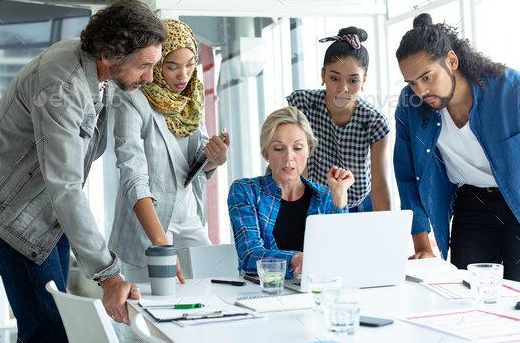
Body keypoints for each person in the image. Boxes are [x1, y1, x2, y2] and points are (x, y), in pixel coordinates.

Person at [0, 0, 167, 342]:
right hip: (15, 214)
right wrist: (109, 277)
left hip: (48, 208)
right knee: (48, 333)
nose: (150, 77)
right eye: (143, 66)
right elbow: (65, 185)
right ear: (109, 54)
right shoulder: (62, 87)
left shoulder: (96, 66)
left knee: (49, 326)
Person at [394, 13, 520, 281]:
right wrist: (422, 246)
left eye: (427, 77)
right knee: (468, 293)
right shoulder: (410, 104)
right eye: (412, 82)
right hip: (472, 204)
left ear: (451, 60)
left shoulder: (512, 89)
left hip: (517, 203)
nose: (420, 91)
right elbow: (407, 175)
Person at [109, 19, 229, 285]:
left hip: (188, 215)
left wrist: (215, 160)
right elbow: (132, 174)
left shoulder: (192, 99)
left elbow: (194, 163)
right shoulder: (131, 99)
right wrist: (160, 242)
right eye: (172, 66)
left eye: (189, 65)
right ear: (156, 64)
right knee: (151, 307)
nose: (183, 76)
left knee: (213, 288)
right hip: (147, 224)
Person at [228, 106, 354, 278]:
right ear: (266, 152)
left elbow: (342, 257)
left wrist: (339, 196)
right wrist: (296, 259)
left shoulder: (324, 197)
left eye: (297, 148)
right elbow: (249, 257)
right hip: (263, 295)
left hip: (313, 293)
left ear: (308, 150)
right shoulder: (245, 191)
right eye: (279, 148)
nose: (289, 158)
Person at [287, 27, 391, 212]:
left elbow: (380, 187)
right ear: (323, 75)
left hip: (357, 206)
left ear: (364, 80)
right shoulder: (302, 104)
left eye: (353, 81)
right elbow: (295, 164)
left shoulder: (375, 121)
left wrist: (386, 234)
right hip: (310, 202)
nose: (343, 88)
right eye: (334, 78)